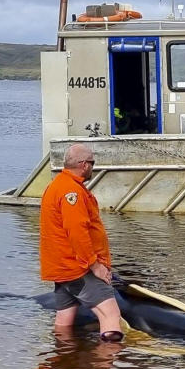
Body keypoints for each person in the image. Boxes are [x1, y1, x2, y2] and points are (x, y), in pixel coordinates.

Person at [39, 143, 124, 342]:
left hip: (61, 269)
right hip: (77, 268)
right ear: (84, 164)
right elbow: (77, 233)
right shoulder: (72, 193)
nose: (93, 168)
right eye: (93, 163)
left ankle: (63, 364)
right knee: (111, 315)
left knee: (64, 320)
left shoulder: (56, 185)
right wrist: (95, 266)